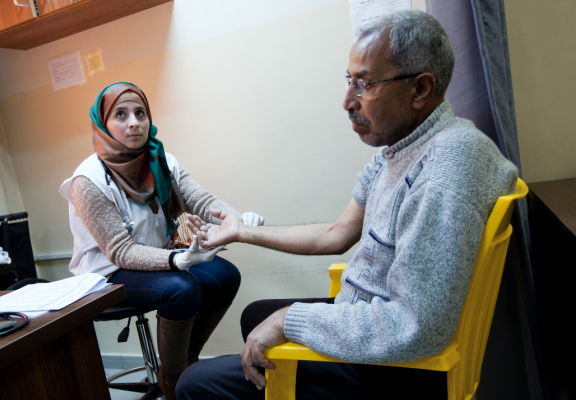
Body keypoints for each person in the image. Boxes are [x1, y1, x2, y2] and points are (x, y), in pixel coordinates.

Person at [176, 10, 519, 399]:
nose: (346, 102)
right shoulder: (401, 149)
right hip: (375, 326)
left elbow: (415, 325)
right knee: (255, 315)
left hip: (396, 369)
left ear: (420, 89)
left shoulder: (447, 164)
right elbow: (334, 234)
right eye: (349, 81)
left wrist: (291, 320)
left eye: (364, 84)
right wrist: (242, 231)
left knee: (192, 383)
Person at [59, 82, 264, 400]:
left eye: (140, 113)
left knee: (226, 276)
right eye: (121, 114)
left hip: (158, 258)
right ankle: (173, 380)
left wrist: (237, 219)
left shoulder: (160, 160)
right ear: (102, 123)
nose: (134, 122)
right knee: (182, 289)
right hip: (106, 274)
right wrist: (175, 261)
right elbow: (121, 251)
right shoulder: (87, 181)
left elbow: (199, 199)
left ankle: (187, 363)